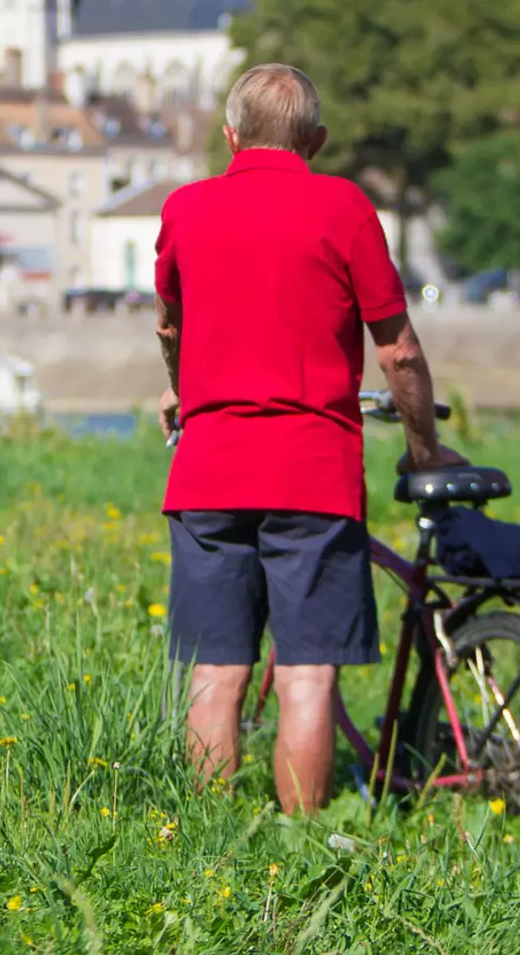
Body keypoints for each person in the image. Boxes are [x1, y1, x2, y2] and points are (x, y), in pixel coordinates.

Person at [154, 63, 460, 814]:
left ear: (230, 137)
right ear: (316, 141)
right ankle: (304, 852)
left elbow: (171, 326)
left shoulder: (186, 209)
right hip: (312, 476)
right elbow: (399, 352)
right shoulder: (343, 207)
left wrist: (186, 391)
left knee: (214, 673)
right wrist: (425, 449)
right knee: (307, 674)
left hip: (209, 471)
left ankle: (208, 852)